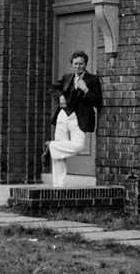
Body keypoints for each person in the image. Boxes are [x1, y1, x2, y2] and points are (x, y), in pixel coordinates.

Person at [43, 50, 103, 187]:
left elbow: (98, 101)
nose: (78, 66)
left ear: (85, 64)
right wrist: (60, 96)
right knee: (60, 155)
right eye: (75, 64)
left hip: (79, 117)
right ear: (72, 65)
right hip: (63, 115)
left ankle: (51, 145)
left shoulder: (92, 80)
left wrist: (86, 90)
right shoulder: (67, 77)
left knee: (78, 146)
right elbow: (53, 88)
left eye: (81, 64)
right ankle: (58, 185)